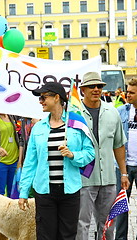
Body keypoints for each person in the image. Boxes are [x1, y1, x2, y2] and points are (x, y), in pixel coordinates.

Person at [18, 82, 95, 240]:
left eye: (44, 97)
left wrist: (73, 155)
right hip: (44, 192)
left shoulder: (77, 123)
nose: (41, 101)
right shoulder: (38, 128)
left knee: (67, 236)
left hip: (70, 191)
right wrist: (23, 191)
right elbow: (30, 163)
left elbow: (90, 152)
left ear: (57, 98)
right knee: (45, 236)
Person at [76, 72, 130, 240]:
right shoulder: (74, 115)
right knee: (81, 224)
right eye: (92, 86)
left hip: (108, 178)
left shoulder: (112, 113)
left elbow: (119, 145)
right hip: (83, 179)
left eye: (99, 86)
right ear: (82, 89)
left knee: (108, 223)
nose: (96, 89)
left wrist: (123, 173)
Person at [115, 77, 137, 240]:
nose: (127, 95)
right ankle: (120, 238)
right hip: (123, 166)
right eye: (127, 91)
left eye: (131, 92)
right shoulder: (121, 111)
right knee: (121, 205)